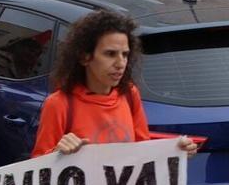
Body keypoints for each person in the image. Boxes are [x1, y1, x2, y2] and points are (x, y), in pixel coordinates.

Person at [31, 11, 199, 159]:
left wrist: (175, 151)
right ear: (84, 57)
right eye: (110, 54)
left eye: (125, 54)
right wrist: (58, 153)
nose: (120, 63)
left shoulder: (130, 94)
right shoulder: (59, 104)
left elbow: (143, 150)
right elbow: (37, 168)